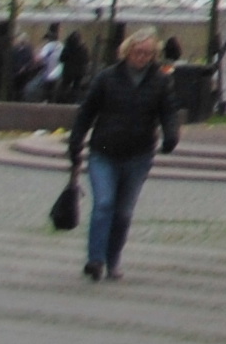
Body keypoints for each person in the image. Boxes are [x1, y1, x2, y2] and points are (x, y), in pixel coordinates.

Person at [65, 30, 180, 282]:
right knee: (104, 203)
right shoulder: (107, 78)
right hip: (104, 151)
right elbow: (87, 112)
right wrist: (76, 141)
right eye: (138, 52)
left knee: (124, 212)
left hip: (138, 155)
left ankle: (112, 259)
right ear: (127, 51)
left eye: (148, 54)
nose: (143, 57)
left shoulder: (160, 82)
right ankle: (95, 259)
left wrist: (171, 135)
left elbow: (168, 112)